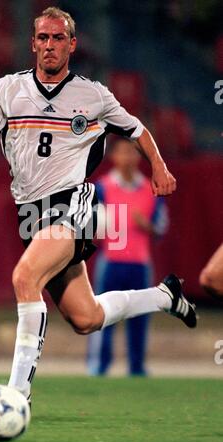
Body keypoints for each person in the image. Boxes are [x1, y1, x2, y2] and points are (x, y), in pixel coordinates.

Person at [0, 7, 197, 407]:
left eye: (57, 38)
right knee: (85, 318)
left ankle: (17, 396)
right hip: (30, 215)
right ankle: (165, 296)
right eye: (42, 38)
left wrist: (159, 166)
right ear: (32, 43)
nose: (48, 46)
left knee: (24, 278)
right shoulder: (6, 89)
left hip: (73, 204)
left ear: (72, 44)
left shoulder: (93, 95)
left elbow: (136, 129)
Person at [87, 138, 169, 376]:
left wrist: (147, 227)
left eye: (132, 153)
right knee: (103, 315)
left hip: (139, 264)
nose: (128, 158)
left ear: (139, 157)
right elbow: (91, 223)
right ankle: (99, 366)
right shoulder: (102, 188)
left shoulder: (151, 189)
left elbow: (161, 227)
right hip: (110, 262)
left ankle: (137, 366)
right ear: (113, 156)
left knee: (140, 317)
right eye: (123, 152)